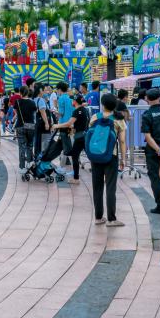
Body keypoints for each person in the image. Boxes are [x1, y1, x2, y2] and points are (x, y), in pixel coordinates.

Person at [85, 93, 126, 227]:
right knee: (110, 187)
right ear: (115, 105)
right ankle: (111, 219)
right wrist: (123, 159)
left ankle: (98, 217)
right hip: (111, 156)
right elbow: (122, 141)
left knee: (97, 187)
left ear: (102, 104)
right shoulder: (119, 120)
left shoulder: (94, 117)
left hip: (95, 156)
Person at [51, 94, 90, 183]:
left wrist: (57, 125)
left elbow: (69, 123)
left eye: (73, 100)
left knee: (75, 156)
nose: (72, 102)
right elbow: (78, 124)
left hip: (80, 138)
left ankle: (76, 179)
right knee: (84, 156)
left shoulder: (77, 111)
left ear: (75, 102)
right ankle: (76, 178)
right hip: (83, 136)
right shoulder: (84, 110)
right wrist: (72, 128)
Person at [14, 87, 38, 168]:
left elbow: (17, 113)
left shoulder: (17, 102)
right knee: (30, 145)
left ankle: (22, 166)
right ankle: (29, 163)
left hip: (20, 125)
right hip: (30, 125)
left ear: (20, 92)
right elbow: (34, 113)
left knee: (21, 147)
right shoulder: (32, 103)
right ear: (28, 93)